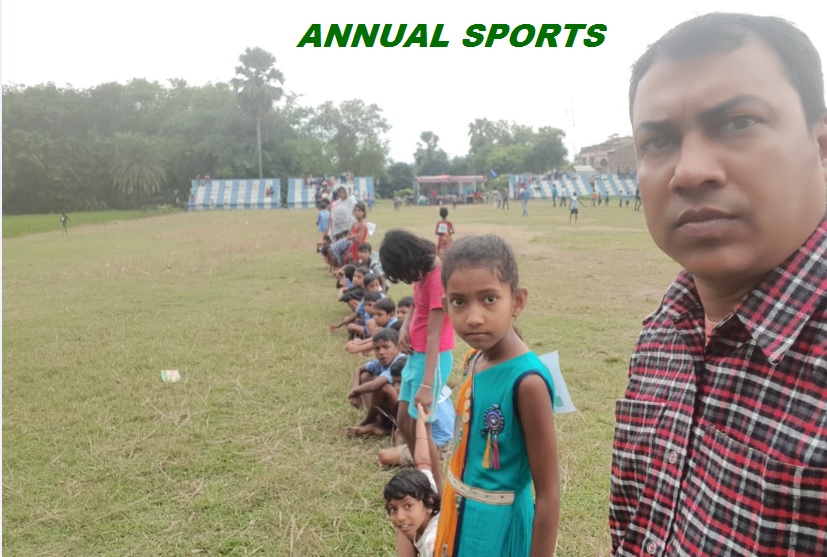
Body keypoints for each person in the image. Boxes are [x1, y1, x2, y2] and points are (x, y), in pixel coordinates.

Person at [610, 13, 827, 557]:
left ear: (822, 146)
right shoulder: (664, 330)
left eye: (738, 122)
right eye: (658, 141)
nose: (689, 171)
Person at [434, 235, 559, 557]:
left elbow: (548, 493)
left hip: (498, 532)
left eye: (489, 299)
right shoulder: (475, 359)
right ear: (446, 305)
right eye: (459, 302)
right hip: (458, 518)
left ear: (517, 301)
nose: (473, 317)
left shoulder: (527, 383)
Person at [380, 230, 455, 491]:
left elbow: (435, 336)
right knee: (404, 422)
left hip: (432, 361)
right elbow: (414, 305)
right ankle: (422, 475)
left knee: (423, 430)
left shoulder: (437, 279)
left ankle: (435, 490)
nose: (405, 278)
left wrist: (426, 385)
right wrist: (404, 328)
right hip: (415, 356)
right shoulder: (422, 273)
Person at [384, 402, 442, 557]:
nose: (400, 516)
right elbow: (423, 460)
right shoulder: (426, 489)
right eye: (393, 509)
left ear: (429, 503)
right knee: (403, 528)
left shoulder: (432, 541)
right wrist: (421, 422)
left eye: (408, 506)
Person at [347, 328, 407, 436]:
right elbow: (359, 369)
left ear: (398, 347)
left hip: (405, 411)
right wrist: (354, 389)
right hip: (393, 409)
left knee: (384, 387)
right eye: (377, 348)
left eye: (386, 347)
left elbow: (376, 385)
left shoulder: (400, 361)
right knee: (365, 375)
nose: (381, 352)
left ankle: (369, 421)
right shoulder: (381, 362)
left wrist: (354, 392)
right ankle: (379, 422)